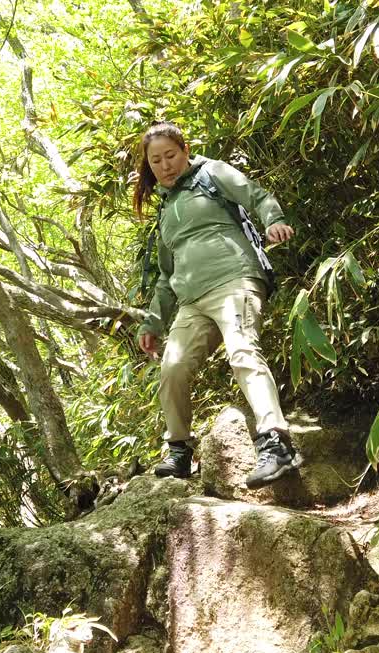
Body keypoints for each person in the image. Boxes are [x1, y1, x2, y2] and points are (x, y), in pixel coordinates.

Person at [133, 121, 302, 488]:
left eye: (170, 155)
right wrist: (152, 323)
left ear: (185, 150)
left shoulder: (213, 172)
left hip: (234, 279)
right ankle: (179, 450)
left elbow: (256, 195)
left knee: (242, 351)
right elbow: (165, 277)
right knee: (172, 369)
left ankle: (276, 443)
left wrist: (274, 220)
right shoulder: (165, 212)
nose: (164, 165)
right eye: (156, 161)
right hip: (192, 302)